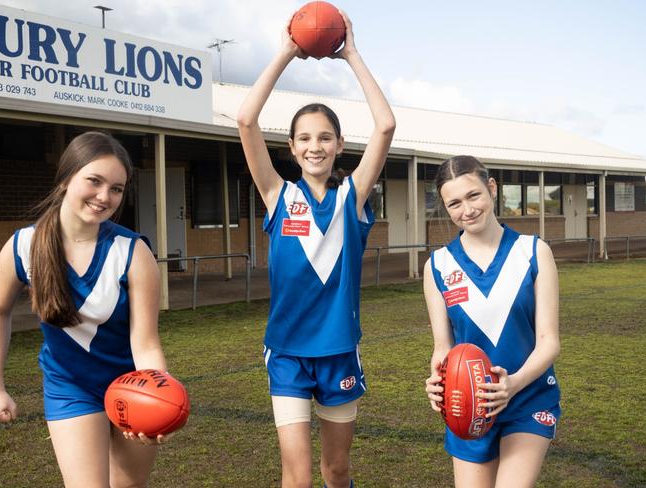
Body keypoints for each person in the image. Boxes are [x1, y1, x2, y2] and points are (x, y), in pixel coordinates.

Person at [237, 10, 395, 488]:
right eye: (304, 138)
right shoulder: (277, 195)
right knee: (298, 473)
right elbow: (246, 119)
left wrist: (350, 54)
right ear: (291, 146)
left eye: (325, 137)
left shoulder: (353, 198)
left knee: (336, 470)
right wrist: (288, 50)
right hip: (287, 353)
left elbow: (385, 125)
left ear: (340, 144)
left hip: (339, 352)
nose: (315, 146)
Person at [0, 131, 170, 487]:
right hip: (69, 386)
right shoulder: (23, 246)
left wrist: (157, 397)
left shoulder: (133, 252)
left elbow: (146, 343)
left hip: (129, 384)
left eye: (117, 188)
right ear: (65, 179)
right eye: (94, 180)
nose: (104, 196)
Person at [424, 155, 561, 488]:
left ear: (491, 188)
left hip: (528, 396)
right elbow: (443, 347)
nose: (467, 210)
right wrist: (436, 380)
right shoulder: (438, 266)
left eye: (473, 196)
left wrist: (512, 384)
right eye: (454, 203)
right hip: (468, 404)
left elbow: (549, 341)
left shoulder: (533, 251)